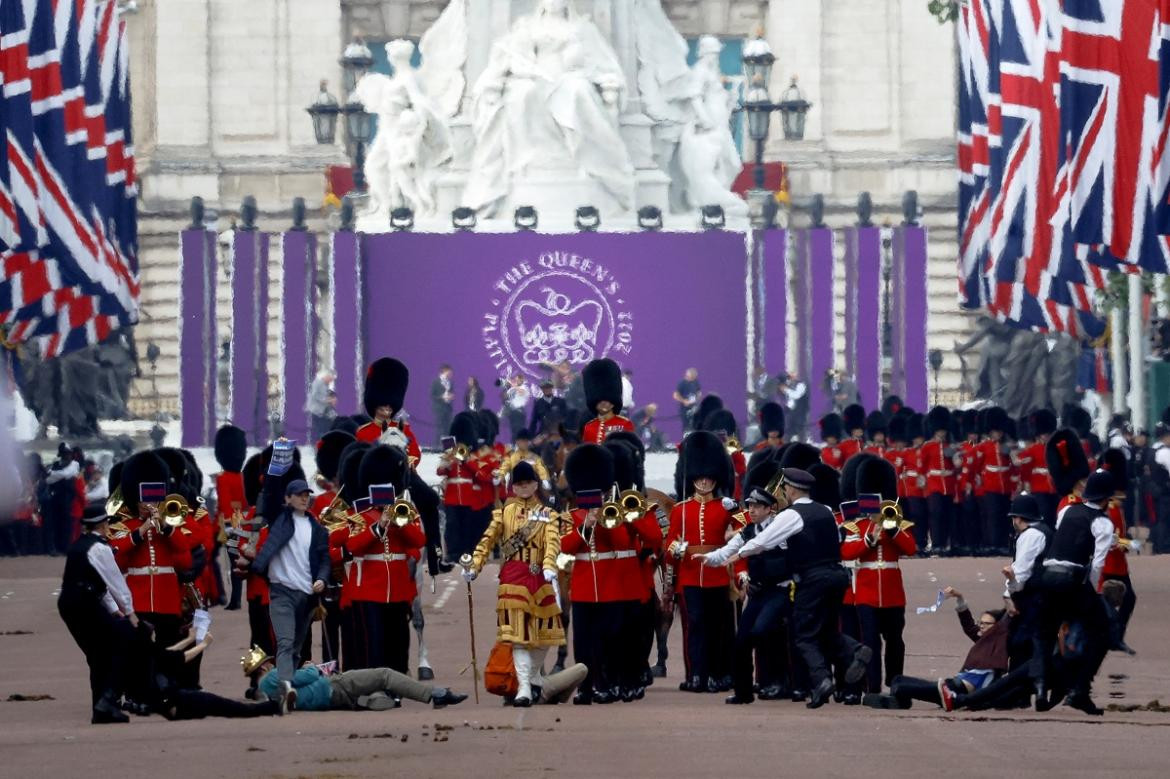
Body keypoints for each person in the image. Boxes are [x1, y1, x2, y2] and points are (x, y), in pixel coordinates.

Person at [699, 467, 871, 708]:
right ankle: (855, 650)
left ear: (789, 489)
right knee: (827, 631)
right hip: (837, 575)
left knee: (804, 635)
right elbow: (838, 540)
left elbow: (764, 541)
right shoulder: (825, 511)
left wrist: (739, 554)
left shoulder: (791, 515)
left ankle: (822, 679)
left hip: (812, 579)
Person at [462, 462, 566, 706]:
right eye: (518, 484)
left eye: (527, 483)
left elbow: (552, 540)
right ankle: (525, 690)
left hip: (540, 577)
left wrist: (550, 564)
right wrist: (473, 567)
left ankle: (528, 680)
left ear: (535, 485)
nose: (523, 488)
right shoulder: (504, 513)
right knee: (518, 637)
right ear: (513, 487)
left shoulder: (548, 514)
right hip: (513, 578)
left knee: (546, 636)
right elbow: (487, 541)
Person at [1030, 469, 1116, 715]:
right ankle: (1079, 690)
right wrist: (1091, 595)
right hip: (1072, 579)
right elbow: (1097, 564)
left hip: (1047, 575)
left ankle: (1040, 684)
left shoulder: (1068, 510)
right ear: (1105, 498)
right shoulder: (1103, 523)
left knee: (1043, 633)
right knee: (1104, 630)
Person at [666, 431, 740, 694]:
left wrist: (733, 531)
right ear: (693, 478)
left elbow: (743, 533)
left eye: (708, 478)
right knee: (695, 626)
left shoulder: (726, 507)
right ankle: (697, 673)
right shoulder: (680, 510)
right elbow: (669, 545)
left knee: (717, 626)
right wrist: (675, 549)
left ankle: (718, 674)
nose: (705, 482)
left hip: (718, 574)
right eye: (700, 478)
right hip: (690, 575)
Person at [250, 468, 331, 706]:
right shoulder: (280, 519)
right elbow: (272, 492)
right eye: (298, 494)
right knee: (283, 643)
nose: (304, 498)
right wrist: (279, 460)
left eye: (307, 494)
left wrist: (322, 580)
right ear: (287, 498)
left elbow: (324, 558)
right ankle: (284, 686)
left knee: (296, 648)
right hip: (280, 591)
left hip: (306, 595)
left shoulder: (316, 527)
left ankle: (282, 688)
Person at [346, 445, 426, 674]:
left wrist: (398, 522)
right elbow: (353, 546)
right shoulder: (360, 514)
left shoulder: (405, 510)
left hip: (399, 587)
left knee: (399, 640)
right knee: (375, 641)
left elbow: (418, 540)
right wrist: (378, 525)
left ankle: (399, 682)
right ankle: (376, 685)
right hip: (371, 588)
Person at [716, 473, 793, 705]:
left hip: (779, 590)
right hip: (757, 592)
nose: (752, 510)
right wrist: (743, 576)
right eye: (750, 506)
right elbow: (737, 555)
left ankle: (778, 683)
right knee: (742, 641)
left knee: (767, 634)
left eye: (757, 506)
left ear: (770, 508)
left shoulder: (782, 529)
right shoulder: (748, 530)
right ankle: (744, 690)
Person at [840, 460, 916, 693]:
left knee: (895, 641)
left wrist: (890, 527)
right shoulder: (856, 525)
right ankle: (871, 688)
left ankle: (895, 683)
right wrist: (868, 540)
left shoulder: (897, 522)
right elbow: (846, 552)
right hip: (866, 591)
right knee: (870, 641)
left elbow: (910, 548)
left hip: (892, 592)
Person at [58, 506, 137, 723]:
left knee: (97, 654)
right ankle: (106, 703)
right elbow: (115, 582)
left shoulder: (78, 546)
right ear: (103, 525)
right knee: (115, 648)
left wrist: (114, 610)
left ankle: (101, 707)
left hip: (70, 603)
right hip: (85, 603)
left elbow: (96, 584)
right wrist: (130, 612)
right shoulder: (101, 549)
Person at [876, 587, 1011, 711]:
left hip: (958, 690)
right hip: (949, 685)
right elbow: (969, 625)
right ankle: (901, 702)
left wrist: (1011, 584)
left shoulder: (1000, 639)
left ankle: (900, 700)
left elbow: (1008, 616)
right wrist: (960, 598)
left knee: (900, 687)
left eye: (986, 624)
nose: (981, 626)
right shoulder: (983, 639)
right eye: (980, 622)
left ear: (996, 627)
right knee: (897, 680)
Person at [253, 651, 466, 711]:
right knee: (385, 675)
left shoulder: (265, 692)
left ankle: (372, 699)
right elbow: (309, 675)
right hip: (333, 684)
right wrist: (310, 667)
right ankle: (434, 695)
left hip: (327, 700)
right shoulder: (272, 676)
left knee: (377, 686)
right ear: (264, 666)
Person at [214, 425, 249, 610]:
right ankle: (233, 597)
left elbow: (225, 503)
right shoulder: (241, 477)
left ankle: (227, 596)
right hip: (240, 519)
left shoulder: (223, 478)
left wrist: (226, 524)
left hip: (227, 522)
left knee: (226, 559)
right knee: (236, 559)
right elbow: (243, 502)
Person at [919, 406, 956, 556]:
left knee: (947, 514)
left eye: (943, 430)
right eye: (940, 430)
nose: (942, 432)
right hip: (933, 484)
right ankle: (936, 543)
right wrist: (923, 486)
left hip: (948, 484)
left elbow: (956, 466)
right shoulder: (927, 446)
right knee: (936, 513)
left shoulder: (950, 447)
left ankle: (945, 544)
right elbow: (922, 467)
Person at [580, 359, 635, 443]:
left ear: (614, 402)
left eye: (608, 400)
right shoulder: (589, 427)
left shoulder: (625, 424)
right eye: (599, 400)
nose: (604, 403)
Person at [45, 443, 81, 555]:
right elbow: (48, 480)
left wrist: (52, 473)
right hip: (56, 498)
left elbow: (67, 474)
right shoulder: (56, 464)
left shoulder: (75, 464)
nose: (67, 456)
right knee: (55, 523)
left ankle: (66, 547)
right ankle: (55, 547)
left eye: (69, 453)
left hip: (68, 499)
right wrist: (54, 475)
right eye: (65, 454)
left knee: (67, 524)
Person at [307, 370, 337, 442]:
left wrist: (331, 399)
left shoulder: (325, 385)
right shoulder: (317, 382)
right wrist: (327, 400)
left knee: (325, 428)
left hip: (322, 411)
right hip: (316, 411)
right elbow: (315, 395)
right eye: (330, 379)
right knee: (320, 429)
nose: (330, 381)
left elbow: (324, 396)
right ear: (327, 376)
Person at [430, 364, 455, 447]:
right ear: (444, 371)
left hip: (448, 408)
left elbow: (451, 393)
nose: (451, 374)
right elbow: (432, 395)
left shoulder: (449, 383)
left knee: (448, 428)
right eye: (449, 371)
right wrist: (441, 397)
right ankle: (437, 447)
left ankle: (448, 447)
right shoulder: (436, 382)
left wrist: (451, 396)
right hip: (440, 408)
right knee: (440, 427)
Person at [502, 374, 532, 442]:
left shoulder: (525, 387)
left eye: (518, 380)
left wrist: (513, 385)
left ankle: (520, 445)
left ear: (522, 380)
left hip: (520, 412)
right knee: (513, 429)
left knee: (519, 430)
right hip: (512, 412)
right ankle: (513, 445)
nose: (516, 381)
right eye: (516, 380)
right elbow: (505, 396)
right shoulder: (513, 388)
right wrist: (507, 386)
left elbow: (521, 392)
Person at [673, 367, 701, 432]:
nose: (691, 379)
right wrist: (684, 401)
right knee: (686, 427)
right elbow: (675, 395)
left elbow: (699, 392)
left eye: (693, 377)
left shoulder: (695, 382)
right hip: (685, 409)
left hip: (694, 408)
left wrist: (697, 398)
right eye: (690, 377)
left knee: (695, 425)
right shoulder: (682, 383)